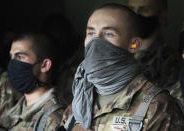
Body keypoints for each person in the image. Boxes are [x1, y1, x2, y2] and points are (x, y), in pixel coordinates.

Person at [60, 3, 184, 131]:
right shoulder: (80, 101)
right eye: (91, 33)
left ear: (134, 45)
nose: (96, 42)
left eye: (109, 34)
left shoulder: (156, 107)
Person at [0, 33, 65, 130]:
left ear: (45, 65)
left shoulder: (54, 120)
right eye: (11, 57)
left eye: (20, 57)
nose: (12, 63)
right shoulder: (17, 108)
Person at [127, 0, 181, 88]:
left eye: (144, 10)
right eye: (131, 10)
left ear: (161, 16)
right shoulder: (119, 54)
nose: (135, 15)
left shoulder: (170, 62)